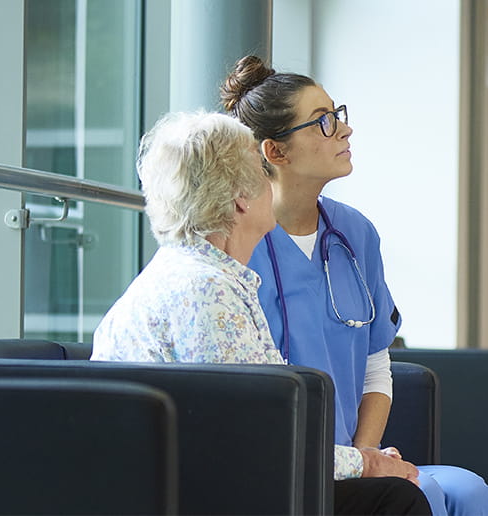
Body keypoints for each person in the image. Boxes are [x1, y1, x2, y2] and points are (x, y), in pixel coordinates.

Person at [92, 110, 430, 516]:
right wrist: (367, 463)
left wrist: (362, 462)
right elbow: (261, 438)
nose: (272, 185)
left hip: (202, 480)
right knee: (396, 500)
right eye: (261, 172)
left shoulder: (202, 276)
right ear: (239, 199)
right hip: (198, 493)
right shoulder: (206, 292)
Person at [220, 56, 488, 516]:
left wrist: (365, 458)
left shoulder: (355, 234)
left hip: (354, 458)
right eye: (323, 123)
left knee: (469, 491)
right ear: (276, 152)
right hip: (280, 462)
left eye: (338, 115)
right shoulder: (238, 240)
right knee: (421, 496)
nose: (344, 130)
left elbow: (376, 364)